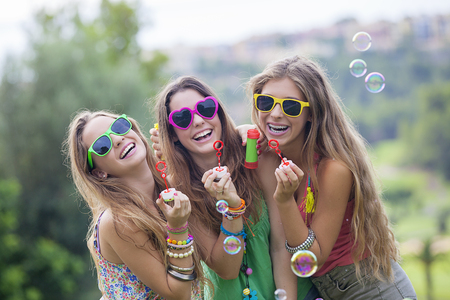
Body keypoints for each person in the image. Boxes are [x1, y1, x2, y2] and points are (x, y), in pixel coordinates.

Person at [244, 55, 417, 299]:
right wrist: (243, 131)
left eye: (291, 106)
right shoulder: (273, 156)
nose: (275, 114)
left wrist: (285, 201)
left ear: (312, 114)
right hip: (329, 291)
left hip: (372, 290)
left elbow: (313, 256)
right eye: (265, 102)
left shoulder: (334, 169)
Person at [151, 76, 316, 299]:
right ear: (172, 134)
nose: (198, 121)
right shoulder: (177, 190)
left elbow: (280, 246)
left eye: (206, 108)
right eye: (182, 118)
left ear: (218, 112)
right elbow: (226, 269)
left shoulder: (257, 159)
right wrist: (232, 207)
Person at [63, 110, 205, 300]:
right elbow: (178, 295)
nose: (117, 139)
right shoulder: (118, 221)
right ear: (98, 173)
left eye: (119, 127)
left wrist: (245, 135)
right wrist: (178, 228)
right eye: (102, 145)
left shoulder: (170, 187)